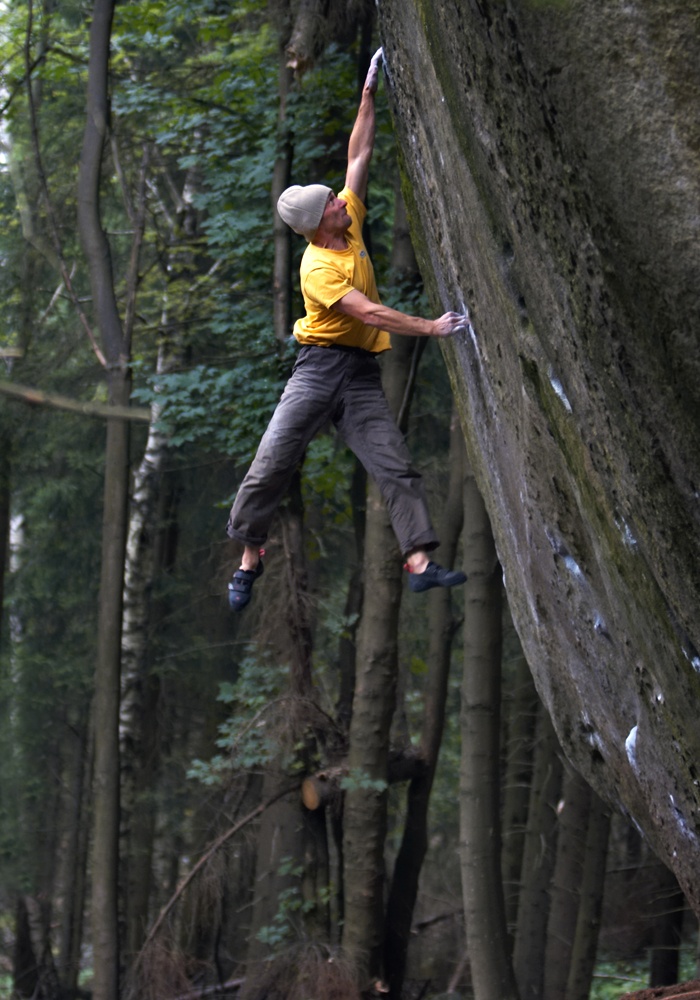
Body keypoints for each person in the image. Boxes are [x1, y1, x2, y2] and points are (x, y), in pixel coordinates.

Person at [226, 47, 467, 611]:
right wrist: (431, 327)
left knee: (394, 463)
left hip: (358, 375)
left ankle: (419, 563)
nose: (340, 198)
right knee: (273, 460)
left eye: (335, 196)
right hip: (318, 370)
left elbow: (358, 154)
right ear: (316, 225)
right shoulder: (319, 268)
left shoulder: (346, 221)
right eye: (332, 202)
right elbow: (372, 315)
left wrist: (367, 95)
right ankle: (247, 558)